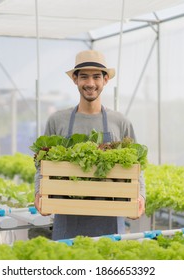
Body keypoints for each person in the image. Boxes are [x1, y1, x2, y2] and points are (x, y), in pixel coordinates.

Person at [34, 49, 146, 240]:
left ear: (105, 80)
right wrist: (39, 191)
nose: (90, 83)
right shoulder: (57, 120)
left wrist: (140, 196)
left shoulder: (120, 122)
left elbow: (138, 167)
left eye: (96, 77)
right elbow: (41, 165)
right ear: (75, 80)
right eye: (84, 77)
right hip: (66, 214)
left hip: (110, 214)